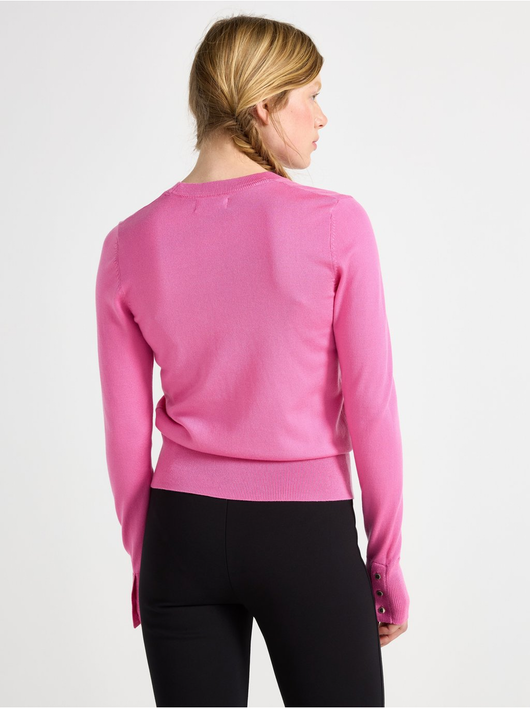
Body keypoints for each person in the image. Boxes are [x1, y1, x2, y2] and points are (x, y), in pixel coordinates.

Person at [95, 13, 409, 708]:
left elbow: (124, 437)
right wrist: (383, 564)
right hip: (307, 535)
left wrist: (149, 559)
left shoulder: (127, 244)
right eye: (311, 96)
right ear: (263, 104)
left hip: (180, 533)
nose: (322, 118)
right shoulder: (336, 224)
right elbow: (372, 405)